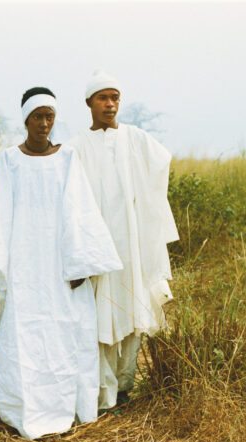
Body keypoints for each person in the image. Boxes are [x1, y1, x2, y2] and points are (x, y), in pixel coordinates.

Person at [0, 87, 123, 440]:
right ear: (26, 120)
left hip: (60, 266)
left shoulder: (67, 159)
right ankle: (24, 410)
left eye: (49, 116)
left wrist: (80, 264)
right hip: (22, 265)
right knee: (23, 333)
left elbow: (80, 211)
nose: (44, 123)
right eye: (38, 117)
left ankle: (67, 408)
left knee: (64, 331)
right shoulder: (10, 160)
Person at [68, 70, 179, 411]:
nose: (110, 104)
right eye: (103, 98)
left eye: (115, 97)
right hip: (98, 246)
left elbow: (161, 164)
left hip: (131, 243)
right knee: (99, 317)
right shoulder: (76, 146)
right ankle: (103, 394)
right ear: (89, 103)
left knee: (132, 313)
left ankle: (124, 389)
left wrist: (141, 205)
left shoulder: (135, 138)